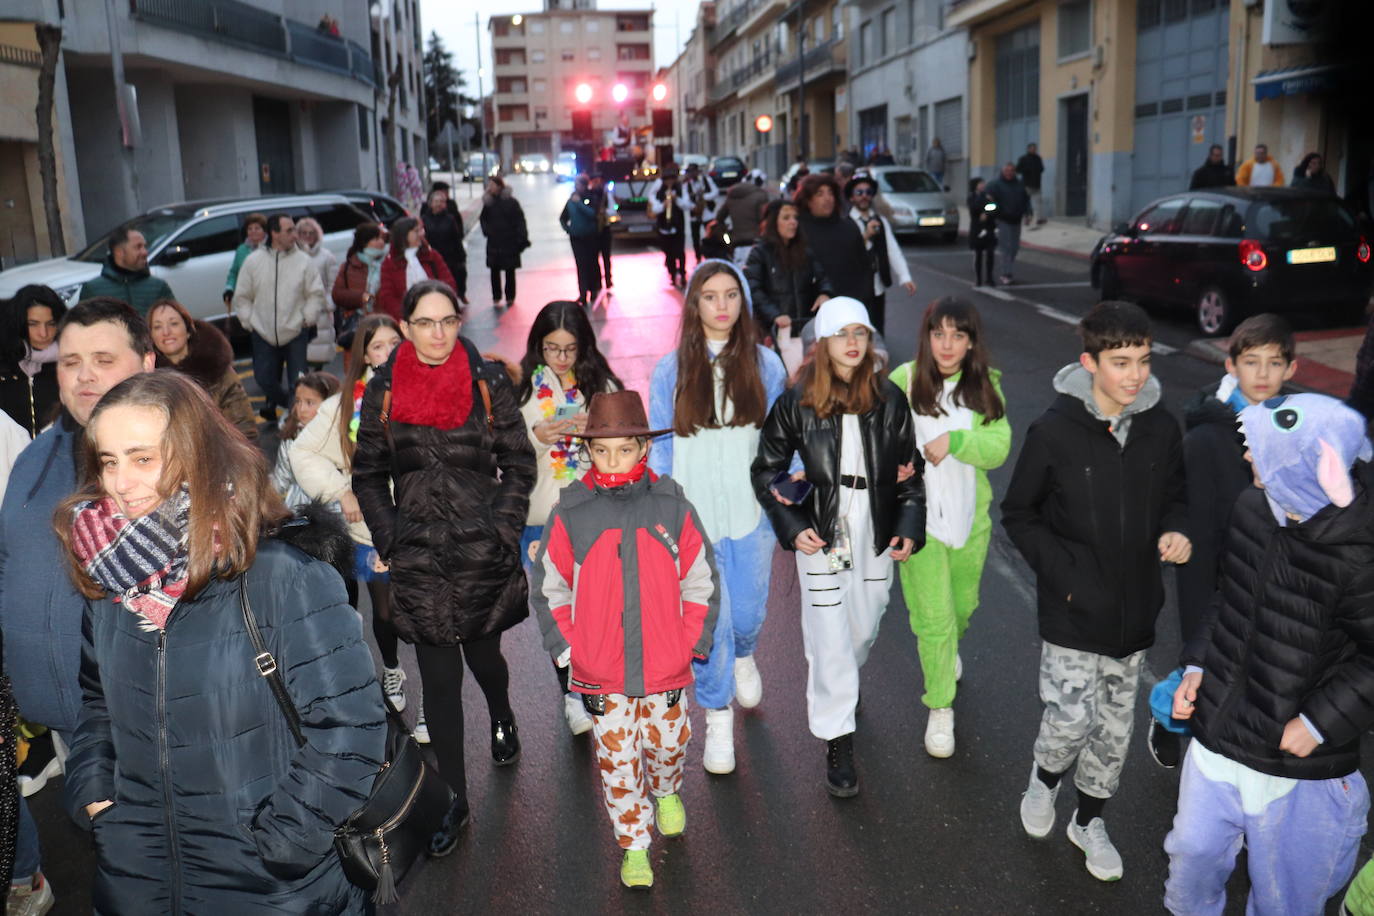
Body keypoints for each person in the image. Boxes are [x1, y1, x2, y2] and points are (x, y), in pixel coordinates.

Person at [56, 370, 386, 913]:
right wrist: (97, 800)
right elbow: (97, 706)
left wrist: (284, 842)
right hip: (137, 879)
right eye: (108, 461)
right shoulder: (107, 578)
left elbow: (352, 729)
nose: (120, 482)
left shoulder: (282, 577)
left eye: (143, 459)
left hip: (272, 887)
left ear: (199, 458)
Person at [1001, 301, 1190, 882]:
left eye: (1143, 360)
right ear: (1090, 363)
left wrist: (1176, 529)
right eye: (1120, 362)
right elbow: (1019, 513)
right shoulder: (1054, 431)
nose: (1136, 375)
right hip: (1073, 613)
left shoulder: (1161, 426)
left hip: (1134, 618)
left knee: (1112, 732)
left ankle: (1088, 821)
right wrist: (1066, 577)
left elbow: (1178, 495)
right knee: (1067, 723)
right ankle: (1044, 781)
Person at [1164, 394, 1374, 916]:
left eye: (1259, 447)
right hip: (1218, 734)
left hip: (1294, 764)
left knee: (1284, 899)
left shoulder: (1360, 555)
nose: (1247, 456)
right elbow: (1227, 598)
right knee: (1190, 859)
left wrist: (1319, 724)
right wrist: (1198, 666)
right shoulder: (1254, 507)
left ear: (1305, 462)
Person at [352, 279, 536, 858]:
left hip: (481, 550)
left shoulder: (487, 383)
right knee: (439, 679)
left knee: (485, 657)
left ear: (459, 323)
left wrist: (502, 529)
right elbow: (368, 475)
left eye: (447, 322)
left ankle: (503, 714)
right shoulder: (382, 391)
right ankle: (455, 799)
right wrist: (391, 535)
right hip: (420, 557)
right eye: (425, 323)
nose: (437, 333)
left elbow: (519, 461)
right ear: (405, 328)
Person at [0, 298, 155, 916]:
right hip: (71, 723)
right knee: (117, 850)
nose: (84, 375)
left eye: (101, 359)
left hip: (163, 721)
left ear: (146, 362)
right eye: (69, 362)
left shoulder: (176, 456)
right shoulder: (34, 458)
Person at [530, 389, 719, 890]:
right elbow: (551, 587)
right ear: (588, 452)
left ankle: (667, 788)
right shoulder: (572, 512)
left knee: (670, 744)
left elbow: (699, 579)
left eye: (625, 449)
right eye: (602, 450)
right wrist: (573, 651)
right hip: (602, 672)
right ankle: (634, 843)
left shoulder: (671, 505)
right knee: (617, 762)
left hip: (665, 666)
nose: (613, 460)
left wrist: (688, 643)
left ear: (644, 449)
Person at [751, 297, 923, 798]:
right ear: (823, 343)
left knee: (863, 626)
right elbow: (767, 469)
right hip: (822, 529)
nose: (853, 343)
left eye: (861, 333)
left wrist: (908, 525)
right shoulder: (796, 402)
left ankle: (845, 678)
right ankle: (838, 736)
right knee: (828, 629)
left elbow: (912, 474)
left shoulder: (890, 399)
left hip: (873, 523)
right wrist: (790, 521)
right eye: (842, 334)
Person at [1140, 315, 1298, 771]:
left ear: (1291, 368)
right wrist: (1179, 534)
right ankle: (1170, 717)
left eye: (1274, 363)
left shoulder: (1303, 427)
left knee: (1260, 666)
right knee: (1205, 661)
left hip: (1278, 571)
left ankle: (1233, 750)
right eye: (1252, 362)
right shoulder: (1207, 436)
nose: (1263, 374)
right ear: (1231, 365)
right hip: (1210, 571)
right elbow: (1183, 503)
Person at [649, 260, 788, 775]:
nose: (722, 306)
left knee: (747, 616)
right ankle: (717, 717)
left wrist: (788, 490)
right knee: (711, 625)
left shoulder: (767, 365)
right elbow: (660, 449)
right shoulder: (671, 371)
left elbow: (783, 437)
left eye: (732, 295)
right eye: (711, 296)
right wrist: (665, 515)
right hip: (694, 520)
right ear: (695, 305)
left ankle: (746, 653)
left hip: (752, 516)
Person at [889, 298, 1009, 759]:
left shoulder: (985, 387)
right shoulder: (903, 380)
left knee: (961, 608)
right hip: (920, 522)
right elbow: (876, 431)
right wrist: (894, 468)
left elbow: (999, 446)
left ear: (971, 341)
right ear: (927, 336)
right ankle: (940, 706)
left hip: (968, 522)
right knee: (935, 620)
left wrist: (956, 440)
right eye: (939, 334)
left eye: (958, 335)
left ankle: (942, 647)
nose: (947, 344)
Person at [291, 315, 413, 720]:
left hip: (426, 517)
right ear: (363, 356)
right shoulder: (345, 404)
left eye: (394, 342)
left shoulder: (425, 388)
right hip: (374, 526)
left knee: (431, 609)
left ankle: (436, 691)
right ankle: (392, 670)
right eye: (378, 346)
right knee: (386, 611)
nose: (388, 353)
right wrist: (341, 490)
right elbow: (302, 452)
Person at [515, 300, 622, 736]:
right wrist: (538, 437)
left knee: (599, 604)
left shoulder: (603, 383)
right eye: (551, 348)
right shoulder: (523, 388)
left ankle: (604, 680)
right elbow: (503, 451)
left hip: (596, 513)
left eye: (569, 349)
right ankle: (573, 694)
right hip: (541, 519)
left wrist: (596, 430)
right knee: (559, 610)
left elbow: (628, 440)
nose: (560, 359)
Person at [232, 213, 327, 428]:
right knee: (263, 379)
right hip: (262, 333)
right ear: (274, 234)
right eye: (289, 230)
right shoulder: (253, 261)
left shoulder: (303, 261)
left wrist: (307, 318)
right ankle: (291, 407)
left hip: (295, 331)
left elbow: (315, 293)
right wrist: (249, 322)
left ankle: (295, 421)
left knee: (299, 382)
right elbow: (242, 296)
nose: (295, 235)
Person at [148, 299, 258, 441]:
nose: (166, 332)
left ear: (188, 331)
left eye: (173, 323)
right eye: (157, 327)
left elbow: (244, 427)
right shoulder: (150, 381)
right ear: (151, 337)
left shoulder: (217, 369)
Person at [744, 199, 833, 376]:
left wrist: (825, 293)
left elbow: (823, 277)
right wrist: (775, 314)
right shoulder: (760, 252)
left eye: (795, 217)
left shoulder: (805, 251)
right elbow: (753, 289)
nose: (793, 222)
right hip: (774, 331)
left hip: (804, 328)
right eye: (786, 217)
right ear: (773, 222)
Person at [844, 172, 915, 335]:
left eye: (868, 192)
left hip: (877, 286)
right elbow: (846, 254)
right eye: (859, 192)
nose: (864, 196)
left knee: (877, 329)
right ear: (852, 198)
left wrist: (905, 276)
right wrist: (866, 237)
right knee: (858, 330)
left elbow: (892, 249)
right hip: (855, 288)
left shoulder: (880, 221)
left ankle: (878, 357)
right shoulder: (846, 223)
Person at [794, 173, 873, 306]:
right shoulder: (798, 230)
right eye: (820, 194)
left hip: (849, 305)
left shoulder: (848, 227)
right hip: (812, 307)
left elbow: (864, 267)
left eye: (830, 193)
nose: (827, 199)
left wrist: (863, 297)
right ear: (808, 200)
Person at [0, 285, 64, 437]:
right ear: (19, 322)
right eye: (33, 324)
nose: (43, 333)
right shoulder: (5, 364)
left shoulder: (71, 364)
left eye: (51, 323)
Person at [271, 371, 340, 511]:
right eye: (298, 401)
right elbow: (280, 479)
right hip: (300, 508)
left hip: (340, 508)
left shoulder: (342, 437)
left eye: (310, 403)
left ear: (330, 403)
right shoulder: (291, 437)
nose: (301, 409)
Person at [77, 225, 175, 317]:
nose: (145, 252)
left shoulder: (158, 287)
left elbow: (174, 320)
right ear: (119, 252)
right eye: (138, 247)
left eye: (145, 246)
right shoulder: (93, 290)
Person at [377, 216, 456, 322]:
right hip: (408, 322)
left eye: (421, 230)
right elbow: (387, 297)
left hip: (438, 316)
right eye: (416, 231)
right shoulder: (389, 264)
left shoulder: (431, 256)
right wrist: (407, 317)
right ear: (403, 235)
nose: (421, 234)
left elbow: (449, 283)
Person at [331, 222, 388, 363]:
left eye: (382, 239)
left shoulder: (388, 263)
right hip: (357, 323)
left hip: (383, 323)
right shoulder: (349, 266)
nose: (381, 242)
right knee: (356, 371)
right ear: (365, 242)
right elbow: (337, 294)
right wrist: (360, 298)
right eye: (376, 239)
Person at [295, 217, 340, 370]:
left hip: (321, 311)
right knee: (300, 351)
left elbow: (333, 284)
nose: (307, 236)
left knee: (319, 351)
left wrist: (327, 304)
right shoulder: (292, 256)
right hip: (298, 310)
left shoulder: (327, 256)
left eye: (311, 233)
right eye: (303, 233)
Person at [479, 175, 530, 307]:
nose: (490, 188)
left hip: (509, 241)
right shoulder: (488, 203)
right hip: (494, 241)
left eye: (492, 185)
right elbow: (483, 219)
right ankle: (496, 296)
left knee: (509, 270)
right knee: (494, 270)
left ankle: (510, 296)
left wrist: (521, 238)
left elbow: (520, 220)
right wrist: (487, 231)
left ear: (499, 186)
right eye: (489, 185)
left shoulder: (511, 202)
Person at [560, 175, 603, 307]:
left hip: (590, 237)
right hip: (576, 238)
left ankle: (593, 289)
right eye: (576, 185)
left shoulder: (591, 197)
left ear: (584, 186)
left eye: (579, 184)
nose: (577, 187)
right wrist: (569, 229)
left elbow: (592, 214)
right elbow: (563, 218)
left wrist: (579, 203)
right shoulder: (570, 201)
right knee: (581, 265)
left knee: (591, 263)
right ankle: (583, 293)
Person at [422, 185, 469, 304]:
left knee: (451, 280)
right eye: (436, 201)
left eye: (441, 201)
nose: (438, 204)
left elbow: (456, 238)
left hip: (449, 256)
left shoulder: (450, 219)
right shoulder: (424, 219)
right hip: (431, 257)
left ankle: (456, 297)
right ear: (430, 203)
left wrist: (461, 255)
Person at [985, 163, 1031, 285]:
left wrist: (1028, 214)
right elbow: (986, 202)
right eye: (1007, 170)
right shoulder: (994, 185)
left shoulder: (1020, 184)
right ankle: (1006, 273)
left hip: (1017, 219)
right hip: (1003, 220)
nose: (1009, 172)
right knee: (1006, 247)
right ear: (1002, 171)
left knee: (1015, 247)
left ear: (1015, 171)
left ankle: (1008, 268)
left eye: (1011, 170)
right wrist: (994, 212)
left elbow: (1026, 200)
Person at [651, 167, 690, 287]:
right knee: (669, 253)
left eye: (672, 179)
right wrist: (664, 205)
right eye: (667, 180)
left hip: (678, 226)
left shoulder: (681, 189)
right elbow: (654, 209)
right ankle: (672, 274)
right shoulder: (659, 192)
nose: (670, 182)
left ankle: (682, 274)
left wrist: (676, 199)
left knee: (680, 252)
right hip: (664, 227)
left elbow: (686, 205)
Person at [719, 171, 769, 261]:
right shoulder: (761, 196)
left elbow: (719, 218)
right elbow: (763, 219)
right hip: (756, 241)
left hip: (736, 242)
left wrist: (727, 236)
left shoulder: (732, 194)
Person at [222, 212, 267, 307]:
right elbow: (234, 273)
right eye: (250, 229)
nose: (253, 231)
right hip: (247, 299)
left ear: (264, 231)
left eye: (257, 228)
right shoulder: (241, 250)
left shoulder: (271, 248)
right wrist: (229, 289)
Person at [684, 162, 721, 265]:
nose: (692, 174)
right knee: (695, 238)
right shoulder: (687, 185)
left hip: (707, 214)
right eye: (690, 172)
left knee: (711, 236)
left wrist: (704, 198)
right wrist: (694, 206)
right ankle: (698, 258)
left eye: (693, 172)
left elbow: (715, 192)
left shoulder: (706, 180)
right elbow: (685, 200)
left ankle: (712, 256)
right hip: (695, 215)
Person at [967, 178, 999, 287]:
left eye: (983, 183)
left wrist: (986, 212)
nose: (983, 185)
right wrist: (985, 204)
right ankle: (979, 279)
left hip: (989, 227)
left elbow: (995, 207)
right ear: (975, 185)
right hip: (977, 228)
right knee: (978, 254)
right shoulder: (972, 197)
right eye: (980, 183)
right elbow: (974, 208)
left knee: (990, 253)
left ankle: (989, 277)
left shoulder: (988, 196)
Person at [587, 174, 615, 289]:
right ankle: (598, 281)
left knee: (606, 257)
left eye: (599, 181)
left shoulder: (606, 195)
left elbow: (613, 210)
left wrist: (605, 212)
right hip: (593, 230)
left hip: (605, 229)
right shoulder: (588, 195)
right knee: (594, 258)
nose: (597, 183)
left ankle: (608, 278)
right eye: (595, 181)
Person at [1016, 143, 1046, 227]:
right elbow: (1018, 169)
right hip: (1026, 184)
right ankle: (1027, 218)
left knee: (1038, 202)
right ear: (1028, 149)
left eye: (1035, 148)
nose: (1034, 150)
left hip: (1037, 184)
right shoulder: (1023, 159)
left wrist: (1037, 170)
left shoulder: (1038, 158)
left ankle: (1039, 219)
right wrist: (1026, 170)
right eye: (1032, 148)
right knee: (1026, 202)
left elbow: (1042, 169)